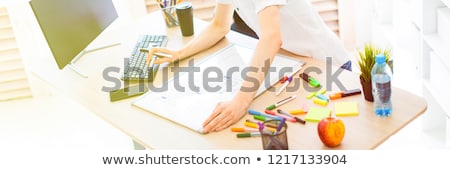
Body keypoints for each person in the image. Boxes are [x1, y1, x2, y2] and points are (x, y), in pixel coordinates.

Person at [147, 0, 351, 133]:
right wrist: (180, 53)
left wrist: (241, 101)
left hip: (327, 66)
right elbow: (219, 26)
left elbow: (272, 37)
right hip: (290, 64)